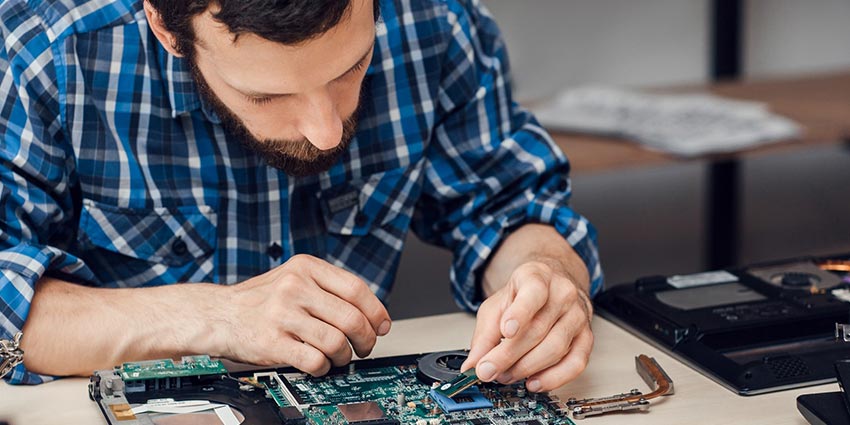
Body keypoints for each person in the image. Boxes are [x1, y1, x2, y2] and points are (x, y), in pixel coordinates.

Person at [0, 0, 602, 392]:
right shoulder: (48, 58)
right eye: (266, 96)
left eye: (352, 67)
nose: (326, 130)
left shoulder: (437, 22)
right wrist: (216, 317)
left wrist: (545, 275)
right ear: (166, 27)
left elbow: (509, 208)